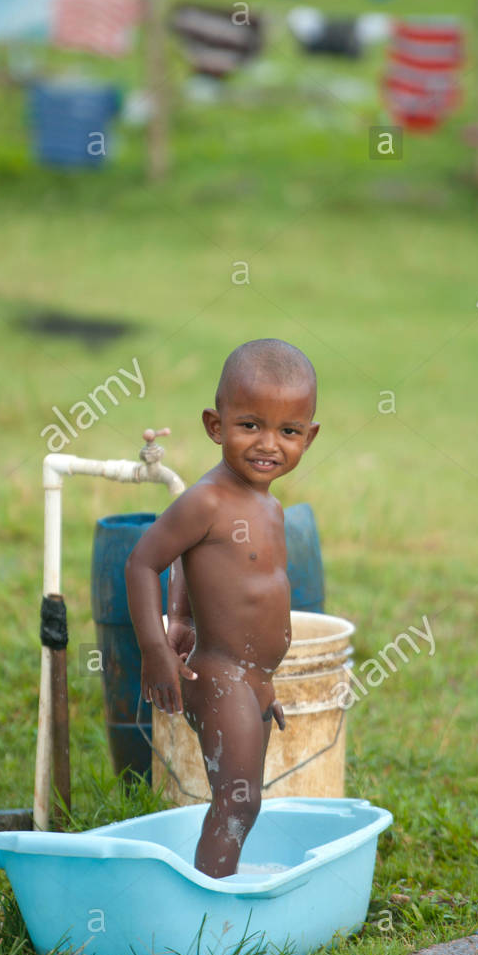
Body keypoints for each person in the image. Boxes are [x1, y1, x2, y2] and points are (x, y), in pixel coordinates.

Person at [125, 339, 320, 877]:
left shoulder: (270, 505)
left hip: (253, 682)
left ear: (310, 436)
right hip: (220, 676)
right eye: (250, 425)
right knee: (237, 805)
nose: (269, 444)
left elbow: (194, 561)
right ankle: (210, 917)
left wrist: (185, 615)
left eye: (289, 431)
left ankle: (216, 893)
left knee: (246, 802)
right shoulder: (207, 500)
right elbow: (143, 562)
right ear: (216, 425)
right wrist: (156, 648)